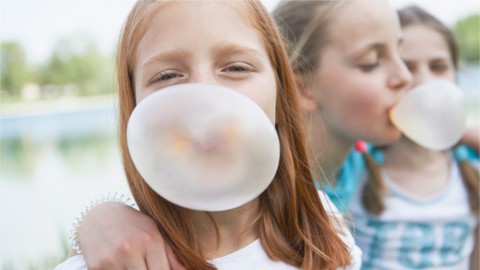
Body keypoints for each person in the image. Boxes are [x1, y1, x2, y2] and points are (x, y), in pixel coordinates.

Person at [68, 0, 414, 268]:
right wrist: (95, 220)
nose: (205, 96)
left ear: (284, 94)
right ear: (134, 107)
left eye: (235, 68)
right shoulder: (115, 260)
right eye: (168, 76)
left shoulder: (324, 235)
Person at [348, 6, 479, 269]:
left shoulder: (471, 172)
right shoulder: (354, 168)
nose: (423, 81)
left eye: (438, 66)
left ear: (455, 75)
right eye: (407, 66)